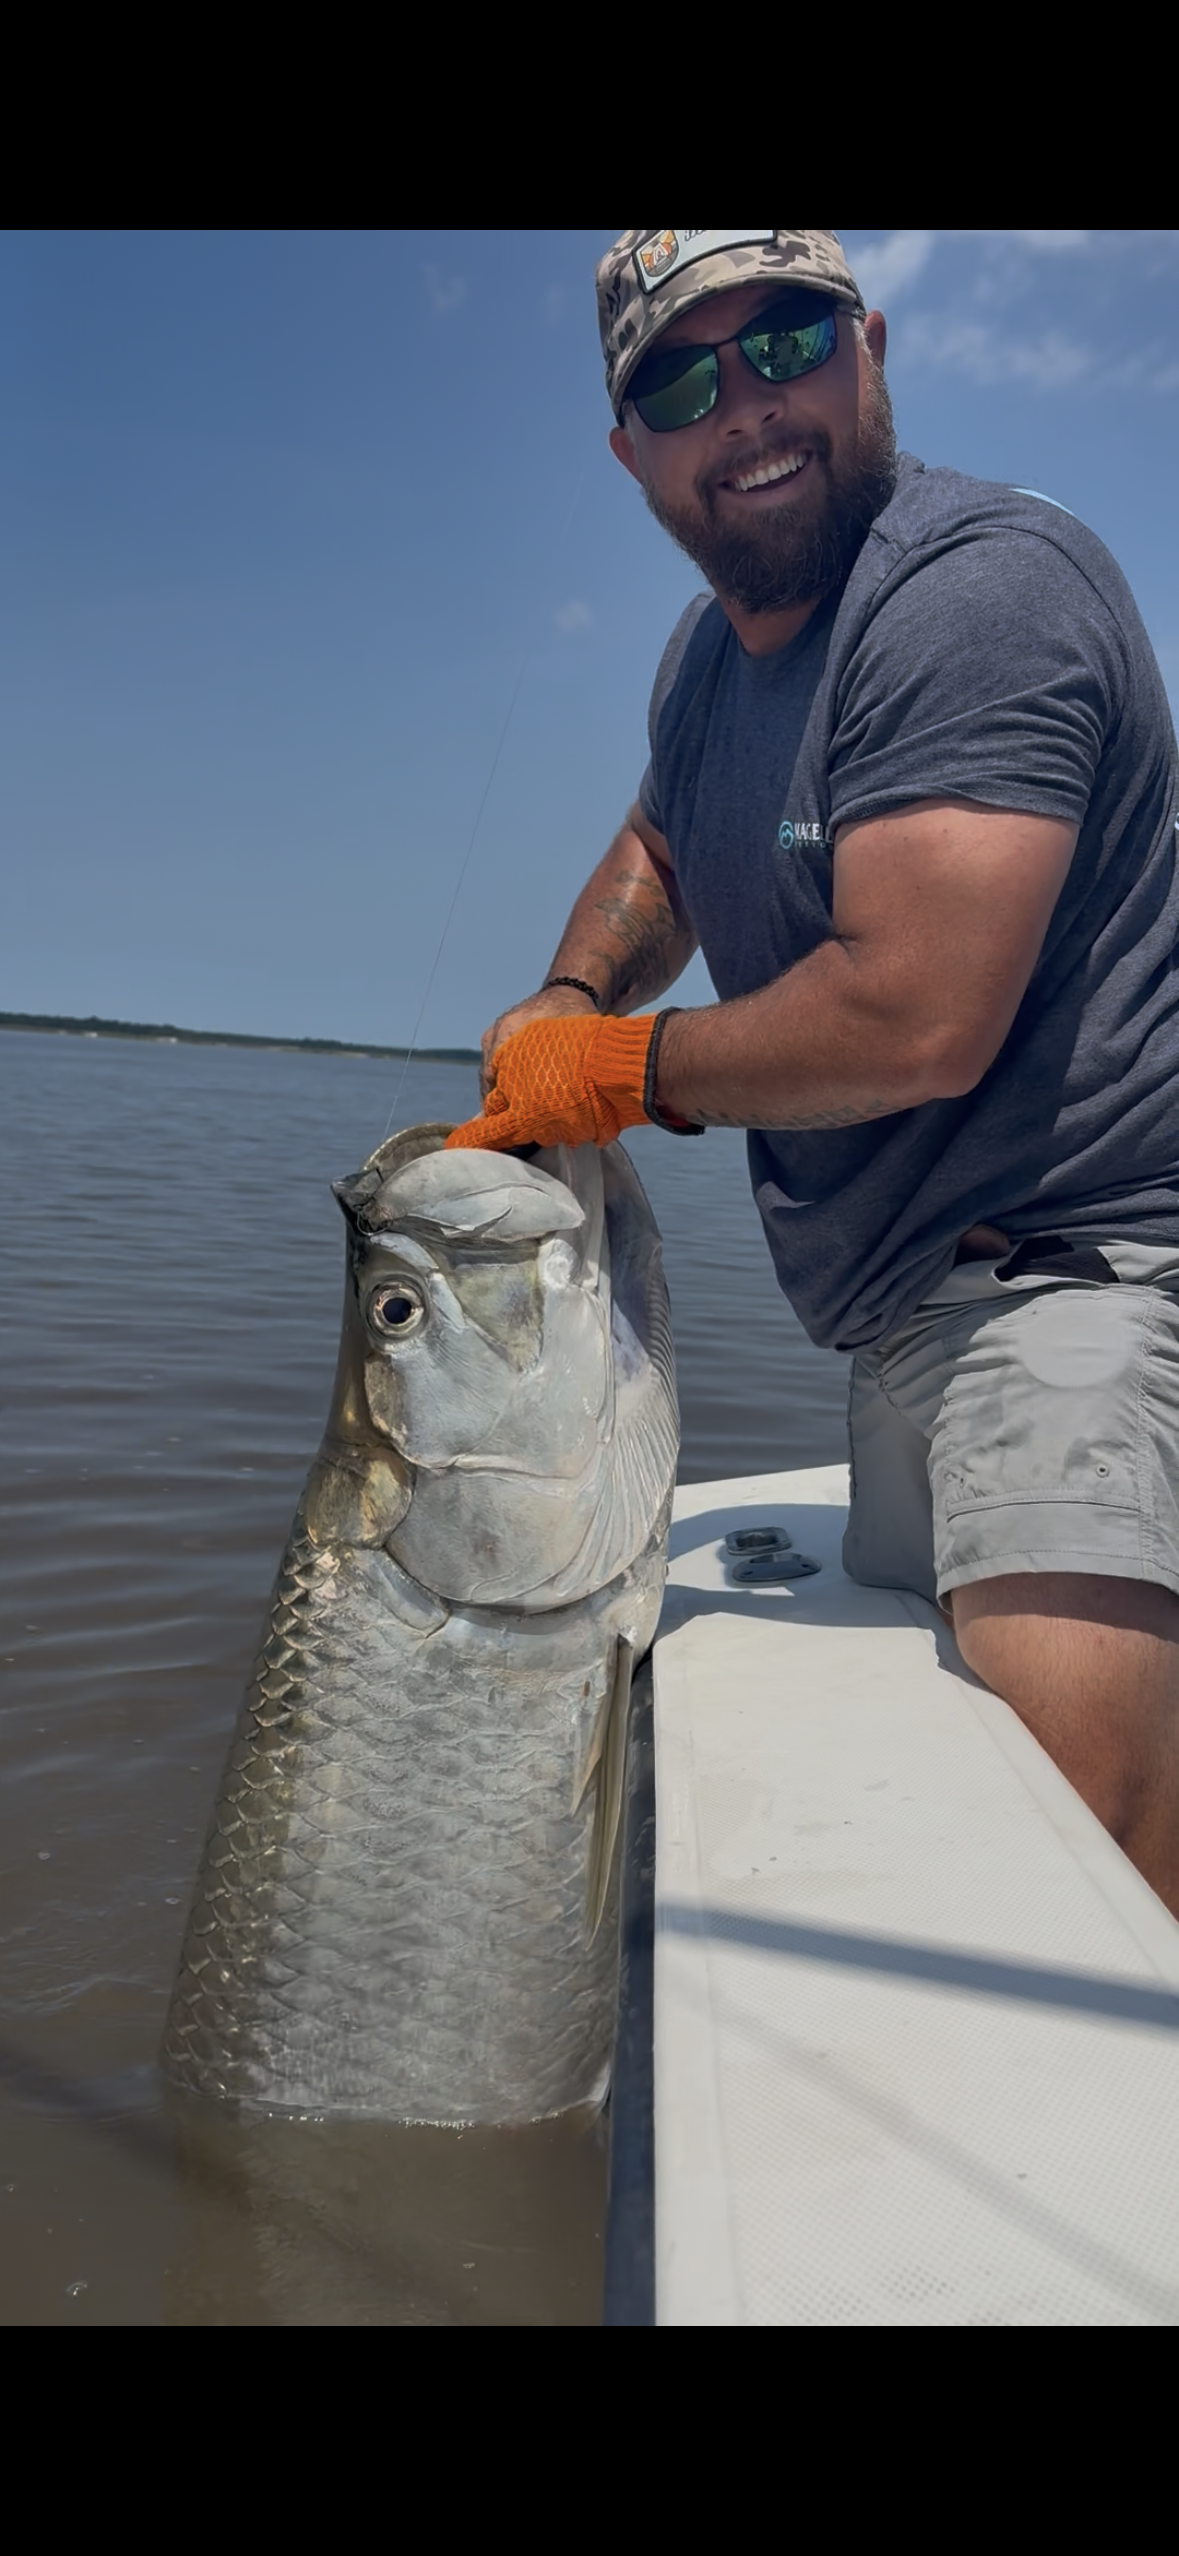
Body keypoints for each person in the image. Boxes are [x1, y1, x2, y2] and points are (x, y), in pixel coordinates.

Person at [446, 228, 1179, 1917]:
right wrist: (568, 991)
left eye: (781, 343)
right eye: (680, 380)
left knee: (1081, 1875)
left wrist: (618, 1072)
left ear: (867, 345)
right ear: (630, 446)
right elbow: (666, 842)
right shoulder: (710, 661)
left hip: (1082, 1296)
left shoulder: (971, 594)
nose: (744, 407)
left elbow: (913, 1014)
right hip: (907, 1325)